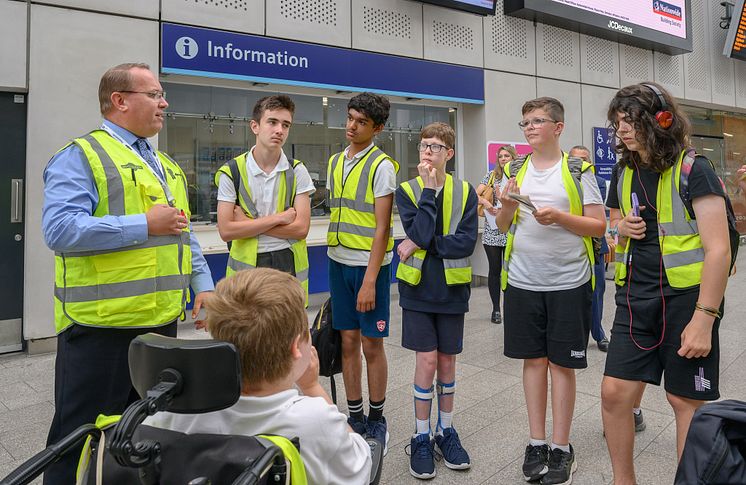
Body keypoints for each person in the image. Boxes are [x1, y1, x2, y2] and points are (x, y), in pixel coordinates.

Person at [41, 62, 214, 484]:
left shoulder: (164, 164)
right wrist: (143, 224)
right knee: (77, 437)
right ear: (119, 101)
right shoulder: (82, 156)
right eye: (153, 94)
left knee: (143, 432)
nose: (164, 102)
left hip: (159, 325)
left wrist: (203, 285)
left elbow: (181, 232)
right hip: (101, 328)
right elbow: (60, 230)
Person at [601, 83, 730, 485]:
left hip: (686, 303)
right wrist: (618, 226)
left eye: (630, 121)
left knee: (684, 401)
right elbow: (609, 223)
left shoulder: (695, 169)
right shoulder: (624, 170)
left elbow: (719, 251)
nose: (621, 130)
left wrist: (704, 319)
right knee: (614, 394)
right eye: (617, 122)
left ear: (661, 120)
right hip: (634, 300)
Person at [145, 268, 372, 485]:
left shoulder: (177, 411)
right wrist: (313, 388)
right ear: (296, 348)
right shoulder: (314, 418)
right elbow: (360, 467)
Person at [495, 97, 606, 485]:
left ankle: (562, 447)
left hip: (569, 284)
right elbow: (504, 225)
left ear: (558, 127)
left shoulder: (578, 170)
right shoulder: (514, 170)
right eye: (525, 121)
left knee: (562, 365)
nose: (528, 127)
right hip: (523, 283)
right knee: (533, 362)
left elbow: (598, 226)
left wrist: (559, 217)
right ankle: (536, 441)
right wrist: (507, 203)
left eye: (537, 121)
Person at [396, 122, 477, 479]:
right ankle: (421, 435)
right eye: (423, 146)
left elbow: (465, 243)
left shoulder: (466, 191)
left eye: (435, 146)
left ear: (450, 153)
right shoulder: (408, 190)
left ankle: (446, 431)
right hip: (417, 290)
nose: (427, 151)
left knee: (447, 364)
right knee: (426, 362)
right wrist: (428, 192)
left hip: (451, 290)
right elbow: (420, 231)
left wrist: (426, 245)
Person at [326, 92, 399, 452]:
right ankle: (353, 416)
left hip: (369, 269)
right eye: (350, 118)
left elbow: (383, 228)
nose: (351, 126)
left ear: (378, 128)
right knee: (347, 341)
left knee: (372, 344)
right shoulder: (335, 161)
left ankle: (377, 417)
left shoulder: (382, 165)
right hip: (338, 263)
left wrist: (370, 280)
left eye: (361, 122)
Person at [214, 95, 314, 296]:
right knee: (247, 325)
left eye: (286, 125)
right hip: (247, 266)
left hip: (288, 262)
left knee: (287, 325)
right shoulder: (231, 171)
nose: (279, 130)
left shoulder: (297, 171)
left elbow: (301, 229)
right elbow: (226, 230)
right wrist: (279, 218)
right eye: (272, 122)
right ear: (255, 126)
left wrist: (247, 225)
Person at [569, 145, 611, 352]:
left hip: (595, 246)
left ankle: (598, 333)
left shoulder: (599, 183)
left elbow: (589, 214)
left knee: (597, 292)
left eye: (585, 160)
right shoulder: (561, 182)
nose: (581, 164)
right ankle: (577, 334)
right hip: (569, 247)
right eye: (577, 160)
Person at [476, 145, 514, 324]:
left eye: (507, 156)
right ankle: (496, 309)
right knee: (495, 270)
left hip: (512, 229)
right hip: (492, 229)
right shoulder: (491, 175)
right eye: (501, 156)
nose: (503, 159)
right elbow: (474, 195)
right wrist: (486, 202)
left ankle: (512, 307)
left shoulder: (518, 177)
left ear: (513, 158)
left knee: (512, 271)